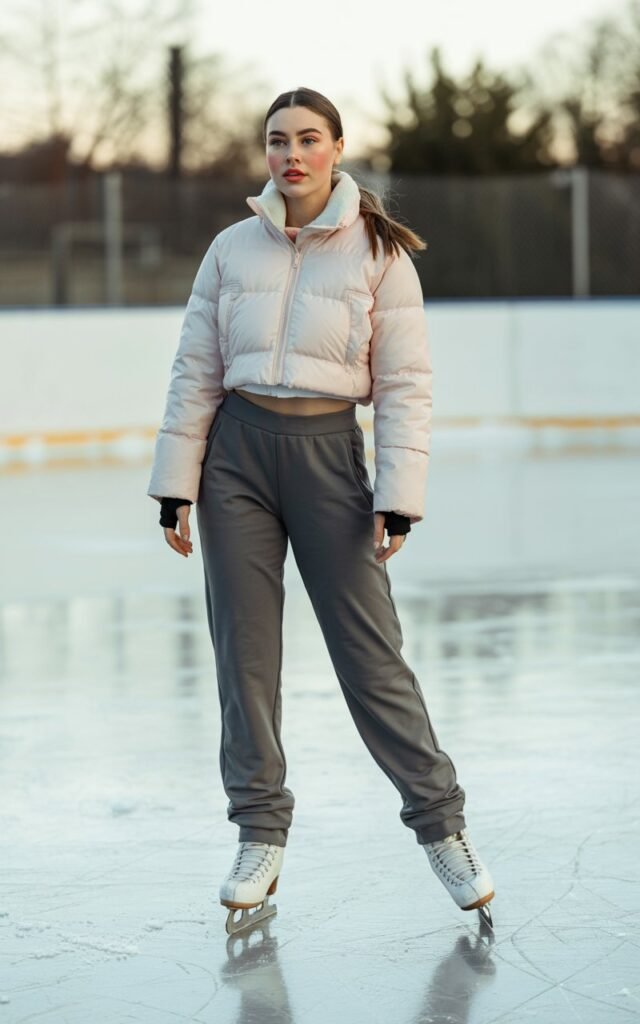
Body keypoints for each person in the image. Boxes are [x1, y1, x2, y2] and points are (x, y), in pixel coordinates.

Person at [147, 87, 495, 935]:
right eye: (276, 141)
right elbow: (195, 368)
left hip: (329, 460)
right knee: (245, 660)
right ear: (264, 153)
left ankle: (441, 826)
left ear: (338, 148)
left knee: (371, 658)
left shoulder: (379, 254)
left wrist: (397, 500)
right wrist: (176, 480)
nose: (291, 155)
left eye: (308, 139)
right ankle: (259, 834)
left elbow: (407, 385)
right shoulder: (231, 249)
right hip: (235, 459)